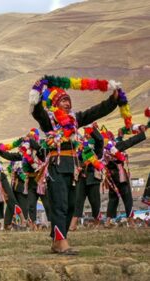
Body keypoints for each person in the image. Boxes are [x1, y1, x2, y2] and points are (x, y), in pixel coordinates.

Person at [31, 80, 120, 255]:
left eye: (68, 100)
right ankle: (62, 242)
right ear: (56, 103)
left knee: (71, 205)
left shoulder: (74, 120)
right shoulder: (49, 120)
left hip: (73, 169)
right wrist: (37, 92)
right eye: (63, 100)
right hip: (56, 167)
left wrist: (113, 100)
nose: (67, 103)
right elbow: (37, 111)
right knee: (60, 204)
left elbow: (94, 112)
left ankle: (57, 242)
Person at [104, 125, 147, 228]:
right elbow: (130, 142)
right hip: (120, 175)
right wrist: (141, 134)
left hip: (110, 176)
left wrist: (124, 130)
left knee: (113, 198)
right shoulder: (116, 146)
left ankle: (107, 221)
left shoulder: (103, 149)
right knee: (127, 197)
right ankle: (131, 221)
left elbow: (120, 134)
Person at [69, 124, 104, 231]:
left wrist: (91, 129)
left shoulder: (97, 147)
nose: (86, 134)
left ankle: (97, 222)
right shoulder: (81, 146)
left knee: (95, 201)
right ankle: (73, 224)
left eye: (88, 133)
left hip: (93, 176)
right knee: (78, 200)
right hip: (82, 176)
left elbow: (100, 139)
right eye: (86, 133)